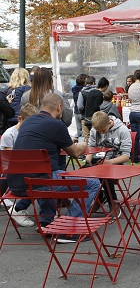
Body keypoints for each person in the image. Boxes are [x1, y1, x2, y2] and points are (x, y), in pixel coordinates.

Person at [7, 93, 100, 242]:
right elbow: (75, 153)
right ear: (59, 107)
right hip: (39, 184)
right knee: (93, 183)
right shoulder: (57, 125)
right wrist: (83, 145)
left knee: (51, 172)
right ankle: (69, 230)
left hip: (15, 183)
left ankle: (47, 222)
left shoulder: (28, 122)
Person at [87, 111, 131, 211]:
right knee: (84, 172)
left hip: (116, 161)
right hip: (100, 160)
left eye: (103, 130)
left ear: (109, 123)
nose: (101, 133)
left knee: (105, 172)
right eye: (99, 131)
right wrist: (88, 161)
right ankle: (99, 197)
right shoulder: (95, 130)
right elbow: (91, 147)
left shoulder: (122, 130)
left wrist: (108, 162)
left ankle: (112, 200)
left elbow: (126, 156)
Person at [21, 67, 73, 135]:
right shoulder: (57, 95)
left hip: (31, 132)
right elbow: (67, 116)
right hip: (53, 131)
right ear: (49, 79)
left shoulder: (25, 96)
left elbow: (23, 115)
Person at [71, 73, 87, 140]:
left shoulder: (74, 90)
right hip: (83, 112)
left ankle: (79, 143)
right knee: (85, 132)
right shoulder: (83, 91)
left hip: (76, 112)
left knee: (79, 131)